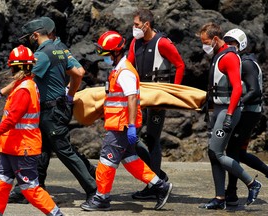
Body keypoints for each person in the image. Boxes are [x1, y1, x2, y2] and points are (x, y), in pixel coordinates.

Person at [0, 18, 97, 203]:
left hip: (50, 111)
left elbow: (23, 77)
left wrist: (0, 92)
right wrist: (69, 94)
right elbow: (79, 72)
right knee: (41, 150)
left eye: (29, 37)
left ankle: (94, 191)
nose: (28, 41)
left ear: (36, 35)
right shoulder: (60, 48)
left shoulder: (42, 55)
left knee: (64, 151)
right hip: (57, 107)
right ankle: (29, 188)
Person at [80, 30, 173, 211]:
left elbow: (132, 99)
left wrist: (131, 126)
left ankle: (101, 198)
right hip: (119, 123)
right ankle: (161, 186)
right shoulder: (118, 70)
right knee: (131, 159)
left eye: (106, 54)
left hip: (121, 125)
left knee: (107, 160)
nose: (104, 58)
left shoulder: (125, 72)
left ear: (116, 52)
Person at [0, 45, 63, 215]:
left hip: (23, 148)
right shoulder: (23, 84)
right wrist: (0, 93)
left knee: (30, 189)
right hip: (12, 146)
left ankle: (56, 214)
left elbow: (11, 120)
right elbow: (14, 85)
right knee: (0, 183)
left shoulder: (24, 90)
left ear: (15, 67)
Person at [197, 22, 262, 210]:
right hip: (218, 110)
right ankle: (219, 198)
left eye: (206, 42)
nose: (204, 46)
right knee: (213, 154)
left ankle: (252, 183)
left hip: (228, 110)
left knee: (216, 152)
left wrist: (229, 115)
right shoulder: (218, 55)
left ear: (216, 39)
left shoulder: (230, 57)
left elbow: (237, 89)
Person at [127, 8, 185, 199]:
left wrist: (172, 94)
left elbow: (180, 65)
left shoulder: (162, 43)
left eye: (136, 25)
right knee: (130, 136)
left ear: (146, 25)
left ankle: (154, 186)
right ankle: (158, 176)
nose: (133, 28)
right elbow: (128, 66)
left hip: (158, 96)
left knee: (152, 138)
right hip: (139, 95)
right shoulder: (135, 43)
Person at [223, 28, 268, 206]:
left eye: (231, 43)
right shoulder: (243, 60)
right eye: (226, 42)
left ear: (240, 44)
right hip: (250, 112)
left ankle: (231, 193)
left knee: (232, 152)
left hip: (250, 113)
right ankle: (232, 192)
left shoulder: (247, 63)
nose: (228, 46)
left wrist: (238, 102)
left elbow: (255, 91)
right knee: (238, 152)